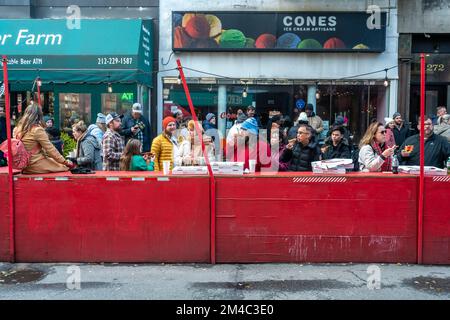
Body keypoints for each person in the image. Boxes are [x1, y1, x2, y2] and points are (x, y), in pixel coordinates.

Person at [12, 104, 71, 174]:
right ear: (39, 116)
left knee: (54, 162)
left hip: (23, 165)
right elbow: (50, 149)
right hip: (35, 164)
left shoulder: (17, 129)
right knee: (64, 167)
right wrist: (65, 162)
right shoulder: (37, 130)